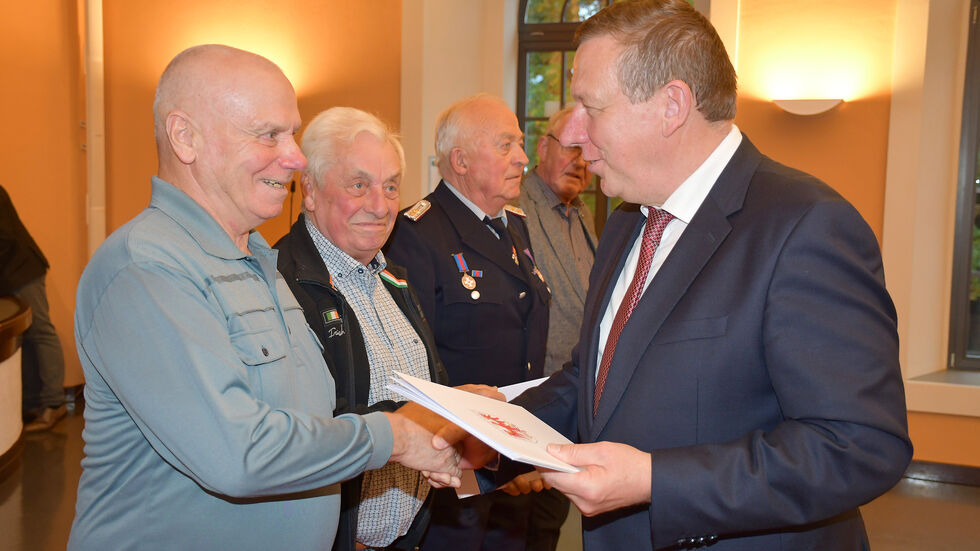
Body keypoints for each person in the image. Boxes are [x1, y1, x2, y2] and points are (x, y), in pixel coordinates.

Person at [441, 1, 912, 550]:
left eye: (592, 109)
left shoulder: (804, 225)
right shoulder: (626, 222)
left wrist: (654, 482)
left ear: (671, 105)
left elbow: (857, 444)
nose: (576, 136)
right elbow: (591, 381)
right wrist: (493, 436)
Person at [69, 45, 462, 551]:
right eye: (269, 134)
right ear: (185, 137)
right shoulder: (146, 267)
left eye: (292, 133)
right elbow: (239, 454)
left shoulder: (258, 261)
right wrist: (397, 437)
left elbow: (309, 421)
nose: (295, 157)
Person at [275, 107, 499, 551]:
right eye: (359, 186)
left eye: (391, 186)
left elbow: (425, 393)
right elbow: (296, 435)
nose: (380, 206)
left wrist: (459, 417)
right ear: (312, 191)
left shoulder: (392, 279)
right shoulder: (280, 285)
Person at [385, 94, 551, 551]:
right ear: (459, 160)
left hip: (513, 456)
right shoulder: (417, 235)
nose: (522, 157)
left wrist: (518, 453)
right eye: (505, 146)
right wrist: (482, 460)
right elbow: (420, 368)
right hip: (456, 472)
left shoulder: (514, 224)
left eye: (520, 143)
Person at [507, 105, 598, 550]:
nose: (580, 161)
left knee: (545, 529)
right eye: (571, 148)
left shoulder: (581, 215)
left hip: (570, 404)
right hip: (528, 401)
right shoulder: (513, 209)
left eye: (589, 151)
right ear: (543, 148)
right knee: (513, 530)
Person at [0, 184, 67, 432]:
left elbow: (5, 239)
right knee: (24, 339)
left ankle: (54, 404)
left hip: (23, 272)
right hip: (13, 275)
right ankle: (31, 404)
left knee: (40, 333)